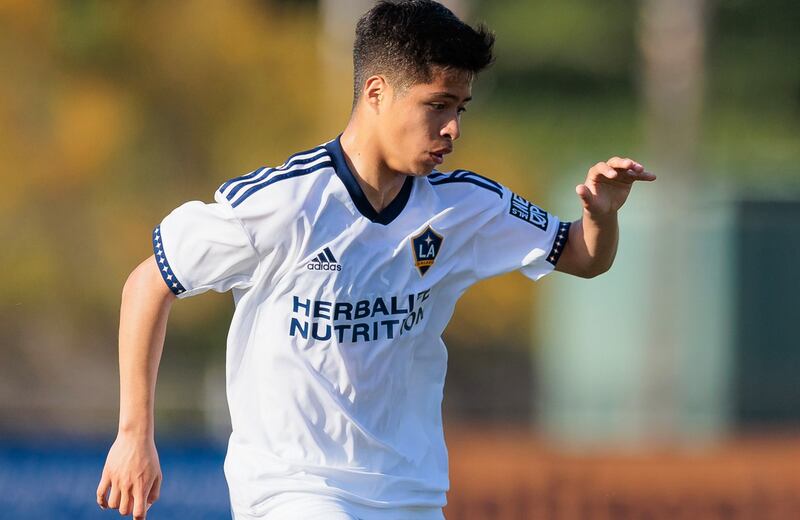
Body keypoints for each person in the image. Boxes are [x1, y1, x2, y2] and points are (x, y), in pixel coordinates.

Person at [96, 1, 656, 519]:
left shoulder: (464, 206)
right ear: (376, 92)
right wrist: (133, 433)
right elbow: (149, 283)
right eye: (437, 105)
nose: (453, 128)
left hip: (409, 492)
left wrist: (602, 216)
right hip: (294, 488)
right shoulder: (285, 203)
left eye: (460, 108)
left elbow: (583, 257)